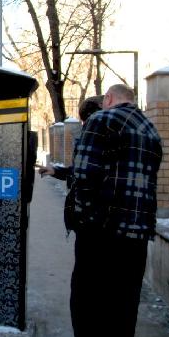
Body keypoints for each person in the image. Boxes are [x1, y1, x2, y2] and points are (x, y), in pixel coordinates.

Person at [48, 84, 162, 337]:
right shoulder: (150, 127)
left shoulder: (102, 120)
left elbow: (84, 176)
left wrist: (84, 219)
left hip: (102, 229)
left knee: (87, 296)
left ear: (108, 99)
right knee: (124, 296)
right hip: (137, 231)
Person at [38, 95, 104, 234]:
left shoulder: (101, 140)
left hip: (95, 219)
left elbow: (88, 172)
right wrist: (56, 171)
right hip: (87, 218)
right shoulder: (88, 140)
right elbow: (81, 170)